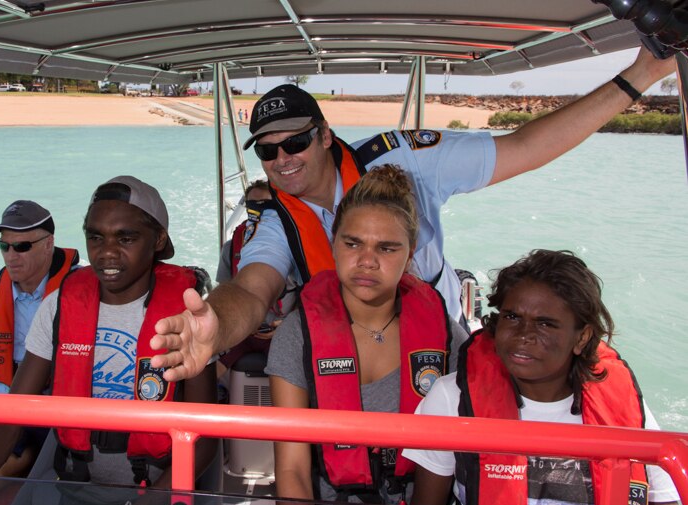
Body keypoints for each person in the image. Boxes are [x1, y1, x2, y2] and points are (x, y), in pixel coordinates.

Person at [150, 47, 675, 383]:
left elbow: (524, 147)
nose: (283, 159)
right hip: (347, 359)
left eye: (297, 141)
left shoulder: (405, 159)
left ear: (326, 135)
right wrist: (216, 327)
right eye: (267, 151)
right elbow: (252, 286)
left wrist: (641, 74)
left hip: (438, 340)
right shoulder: (279, 221)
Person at [0, 176, 217, 505]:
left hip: (156, 504)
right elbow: (10, 419)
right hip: (77, 496)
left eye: (127, 238)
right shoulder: (59, 306)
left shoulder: (187, 314)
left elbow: (204, 442)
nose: (107, 252)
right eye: (95, 237)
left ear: (158, 240)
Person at [403, 250, 684, 505]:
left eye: (546, 324)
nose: (524, 335)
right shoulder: (451, 398)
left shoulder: (626, 409)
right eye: (512, 317)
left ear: (582, 337)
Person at [268, 165, 468, 505]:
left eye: (387, 248)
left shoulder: (444, 335)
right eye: (353, 243)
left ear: (410, 257)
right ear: (333, 244)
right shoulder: (298, 337)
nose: (367, 261)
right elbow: (292, 470)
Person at [0, 200, 79, 477]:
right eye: (5, 246)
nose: (11, 256)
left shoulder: (80, 288)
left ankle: (27, 456)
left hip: (57, 402)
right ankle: (23, 452)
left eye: (23, 247)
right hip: (5, 401)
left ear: (49, 243)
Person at [215, 179, 292, 375]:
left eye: (268, 206)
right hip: (245, 330)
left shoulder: (297, 247)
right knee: (208, 362)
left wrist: (291, 324)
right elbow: (225, 290)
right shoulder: (231, 248)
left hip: (284, 330)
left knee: (287, 368)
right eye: (253, 207)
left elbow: (311, 294)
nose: (261, 214)